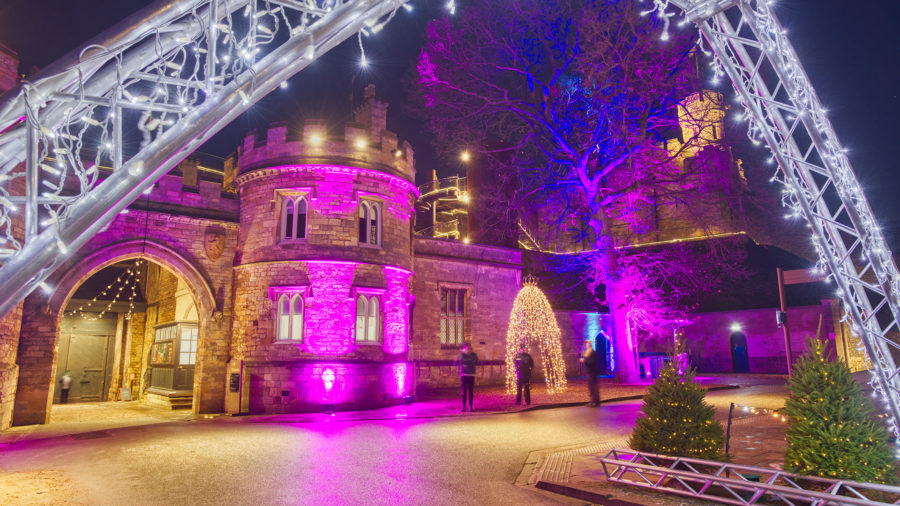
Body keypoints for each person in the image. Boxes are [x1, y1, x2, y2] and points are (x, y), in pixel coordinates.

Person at [456, 342, 478, 412]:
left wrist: (468, 362)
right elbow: (460, 362)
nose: (468, 348)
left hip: (471, 374)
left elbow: (476, 362)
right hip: (464, 374)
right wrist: (469, 362)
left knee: (471, 391)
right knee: (464, 391)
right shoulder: (461, 354)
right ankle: (464, 407)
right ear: (465, 347)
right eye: (467, 346)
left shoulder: (473, 354)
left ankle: (471, 406)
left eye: (469, 346)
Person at [580, 341, 600, 407]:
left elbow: (591, 362)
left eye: (587, 344)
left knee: (593, 387)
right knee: (591, 387)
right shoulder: (589, 352)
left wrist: (584, 361)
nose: (586, 346)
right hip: (590, 372)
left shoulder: (592, 353)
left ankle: (595, 402)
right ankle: (592, 401)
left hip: (593, 372)